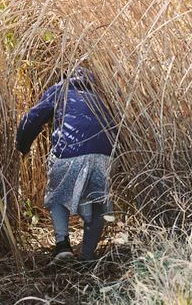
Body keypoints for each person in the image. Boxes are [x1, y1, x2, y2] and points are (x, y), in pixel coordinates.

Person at [16, 65, 117, 263]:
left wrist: (23, 145)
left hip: (69, 153)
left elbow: (32, 118)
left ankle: (63, 247)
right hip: (106, 155)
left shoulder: (60, 91)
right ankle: (88, 257)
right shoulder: (100, 98)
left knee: (57, 193)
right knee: (98, 203)